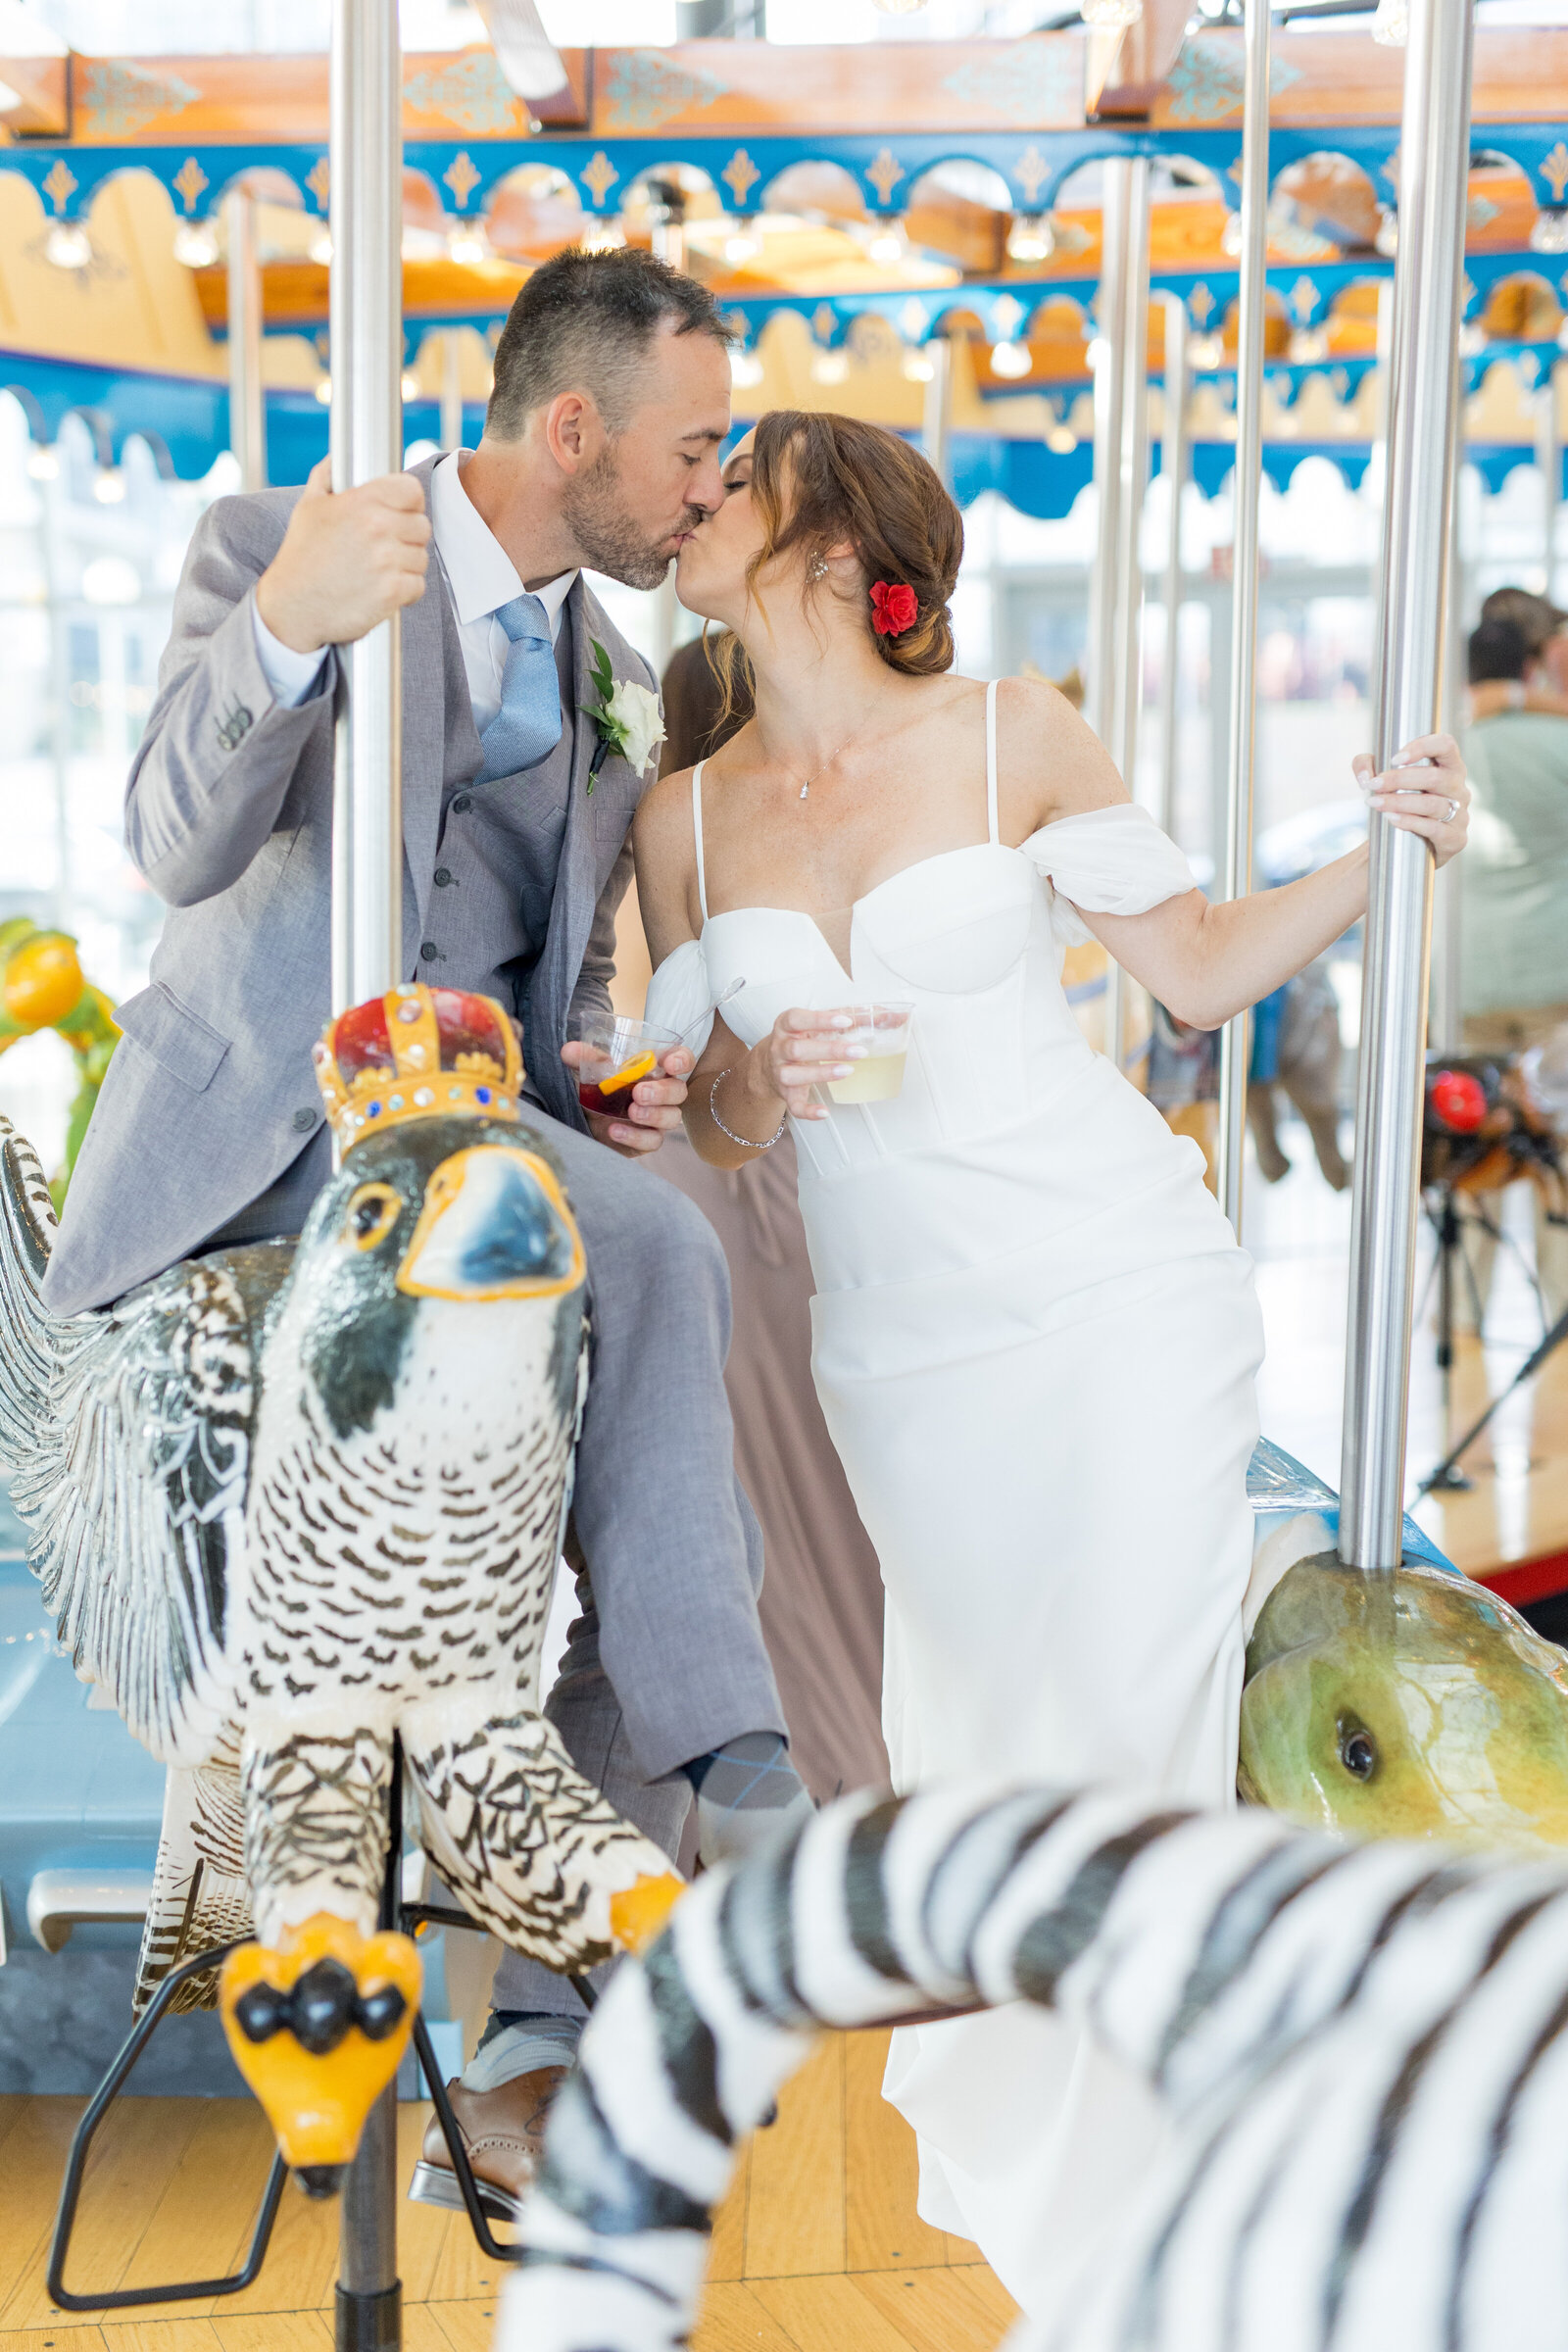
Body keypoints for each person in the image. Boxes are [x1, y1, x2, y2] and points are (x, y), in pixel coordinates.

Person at [632, 410, 1470, 2321]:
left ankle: (1196, 2223)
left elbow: (1186, 970)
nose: (691, 511)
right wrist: (768, 1077)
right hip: (902, 1358)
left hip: (1110, 1296)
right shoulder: (681, 812)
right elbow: (719, 1118)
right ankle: (1119, 2207)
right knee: (996, 1783)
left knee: (1122, 1750)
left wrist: (1374, 854)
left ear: (831, 544)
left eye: (730, 485)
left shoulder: (1016, 736)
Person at [43, 248, 811, 2219]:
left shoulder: (598, 665)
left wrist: (586, 1081)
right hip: (263, 1151)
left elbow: (527, 973)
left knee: (632, 1259)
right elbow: (171, 842)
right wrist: (292, 633)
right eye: (691, 446)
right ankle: (722, 1762)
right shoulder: (275, 543)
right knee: (649, 1263)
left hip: (473, 1130)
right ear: (571, 431)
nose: (707, 488)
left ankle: (600, 1936)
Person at [649, 633, 888, 1801]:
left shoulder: (655, 845)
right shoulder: (789, 833)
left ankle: (793, 1774)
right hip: (799, 1162)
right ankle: (865, 1766)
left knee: (753, 1496)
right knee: (835, 1487)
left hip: (695, 1175)